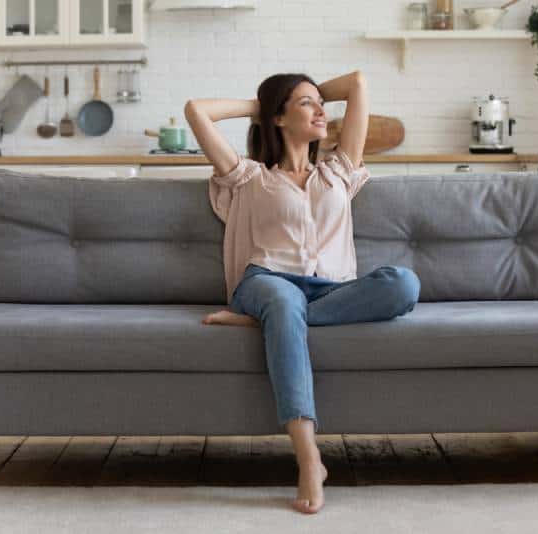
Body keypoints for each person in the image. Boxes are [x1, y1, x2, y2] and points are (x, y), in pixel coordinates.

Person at [184, 71, 420, 514]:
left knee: (404, 284)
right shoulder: (248, 177)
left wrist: (303, 100)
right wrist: (261, 104)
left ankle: (272, 323)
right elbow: (197, 110)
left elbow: (357, 83)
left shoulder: (339, 172)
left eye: (320, 104)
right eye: (307, 104)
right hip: (267, 281)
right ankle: (309, 457)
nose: (321, 111)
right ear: (277, 118)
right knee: (281, 300)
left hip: (330, 290)